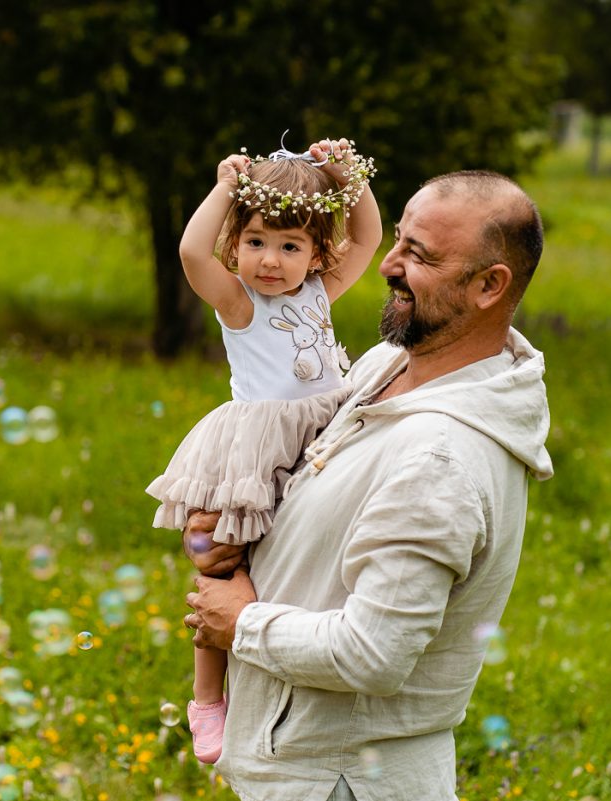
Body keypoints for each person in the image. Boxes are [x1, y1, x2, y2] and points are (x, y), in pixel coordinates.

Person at [183, 170, 553, 801]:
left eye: (420, 255)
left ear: (490, 285)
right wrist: (230, 545)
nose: (388, 263)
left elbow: (371, 655)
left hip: (344, 780)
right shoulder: (390, 364)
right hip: (303, 767)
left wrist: (240, 621)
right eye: (399, 240)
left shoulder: (441, 460)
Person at [146, 136, 383, 763]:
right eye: (255, 242)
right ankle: (206, 699)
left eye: (289, 246)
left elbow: (367, 238)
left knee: (296, 556)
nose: (270, 260)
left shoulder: (318, 291)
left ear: (315, 253)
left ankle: (288, 670)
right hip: (258, 449)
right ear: (236, 244)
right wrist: (226, 187)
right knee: (220, 561)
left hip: (324, 433)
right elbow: (191, 251)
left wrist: (346, 174)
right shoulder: (239, 303)